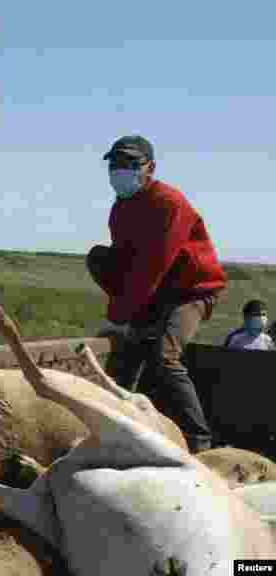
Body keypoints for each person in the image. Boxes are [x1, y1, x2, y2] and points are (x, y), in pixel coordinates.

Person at [87, 134, 228, 454]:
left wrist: (122, 318)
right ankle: (120, 430)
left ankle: (200, 442)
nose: (120, 171)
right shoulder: (120, 209)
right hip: (158, 292)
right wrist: (122, 316)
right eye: (115, 164)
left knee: (164, 356)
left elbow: (154, 264)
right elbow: (125, 266)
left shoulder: (170, 203)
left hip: (192, 291)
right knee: (99, 258)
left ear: (150, 168)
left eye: (130, 164)